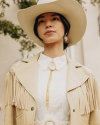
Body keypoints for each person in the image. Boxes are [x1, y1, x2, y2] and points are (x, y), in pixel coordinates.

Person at [4, 0, 100, 125]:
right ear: (37, 31)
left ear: (66, 27)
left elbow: (95, 120)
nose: (48, 24)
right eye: (41, 21)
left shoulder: (86, 77)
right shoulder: (17, 73)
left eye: (55, 19)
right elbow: (9, 120)